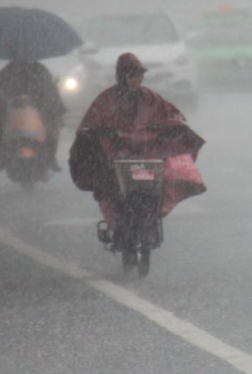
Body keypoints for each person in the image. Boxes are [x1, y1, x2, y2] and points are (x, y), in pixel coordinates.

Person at [69, 53, 205, 240]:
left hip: (147, 159)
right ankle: (118, 224)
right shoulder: (107, 99)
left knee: (160, 183)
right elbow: (90, 124)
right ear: (122, 77)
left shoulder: (151, 98)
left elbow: (172, 115)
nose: (136, 81)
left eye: (139, 76)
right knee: (110, 188)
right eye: (131, 76)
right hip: (116, 161)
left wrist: (171, 126)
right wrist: (103, 136)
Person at [0, 60, 67, 174]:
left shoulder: (8, 67)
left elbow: (51, 91)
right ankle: (51, 157)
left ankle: (50, 156)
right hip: (13, 106)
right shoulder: (36, 67)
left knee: (52, 123)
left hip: (34, 105)